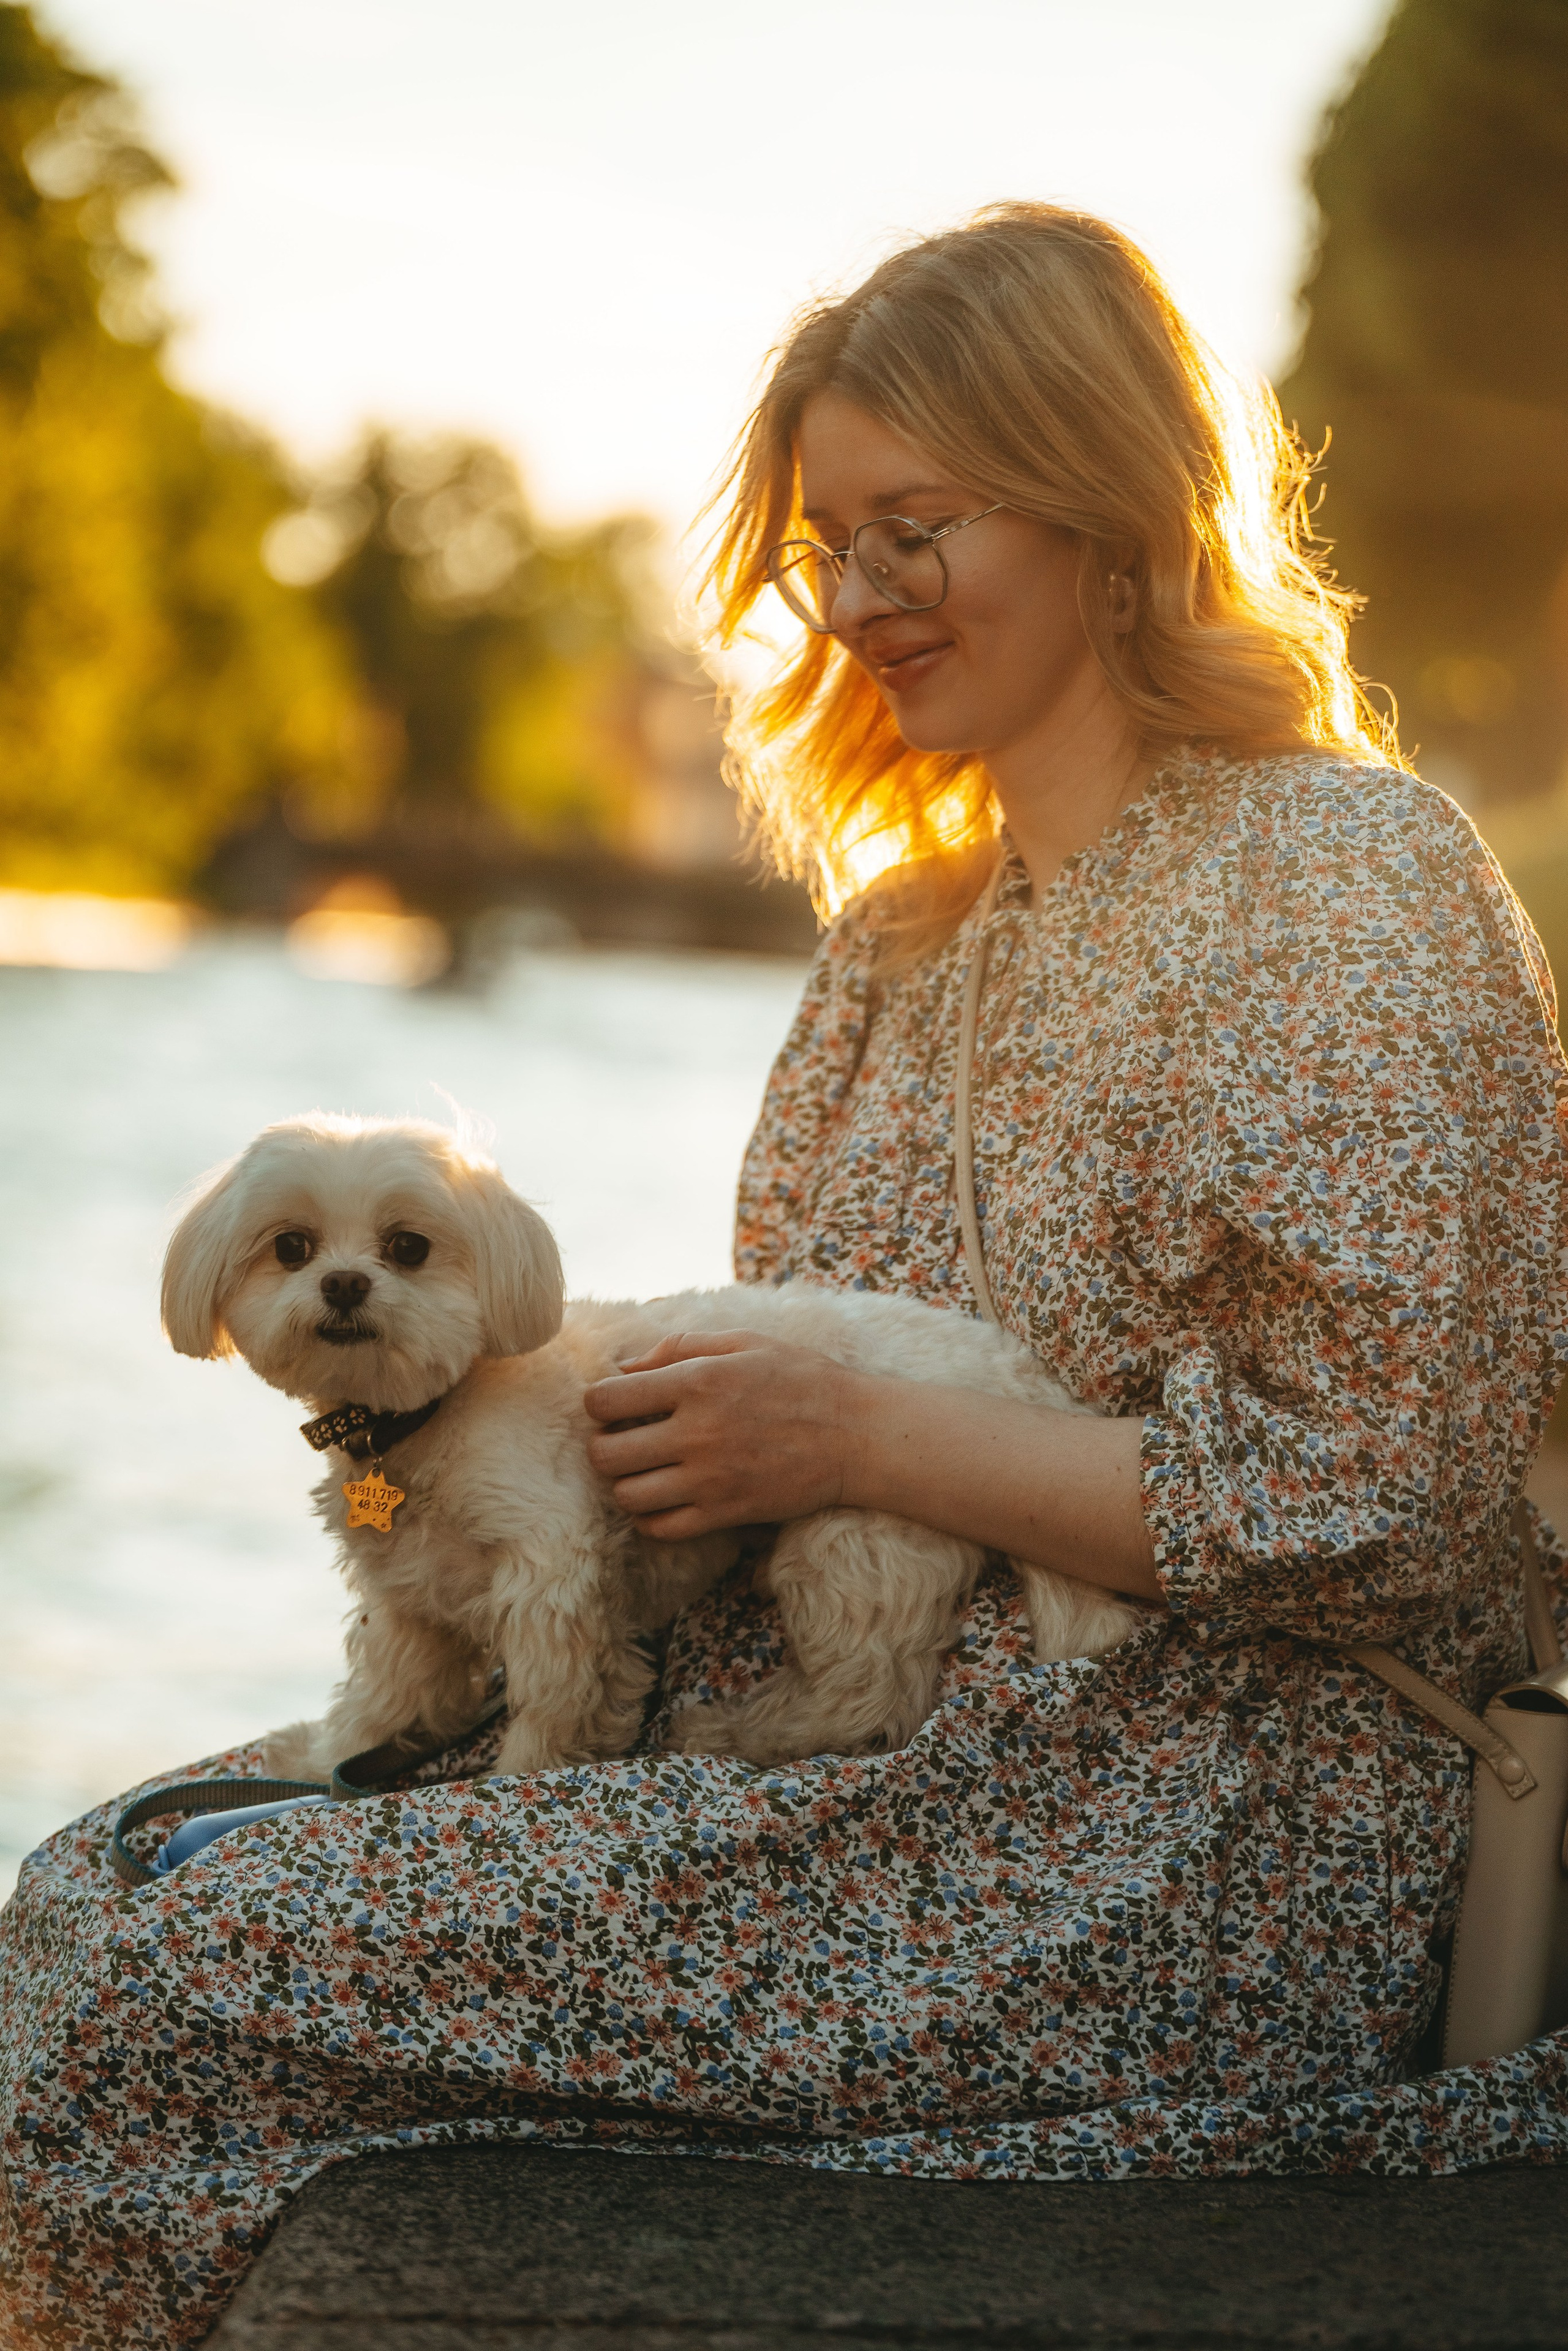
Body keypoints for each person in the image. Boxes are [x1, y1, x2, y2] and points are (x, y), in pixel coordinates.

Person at [4, 202, 1568, 2351]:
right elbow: (749, 1455)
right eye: (831, 547)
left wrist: (854, 1433)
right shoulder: (901, 944)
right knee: (98, 1879)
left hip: (1190, 1832)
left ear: (1110, 502)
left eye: (916, 529)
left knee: (166, 1964)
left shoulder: (1354, 883)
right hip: (821, 1746)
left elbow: (1394, 1499)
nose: (862, 603)